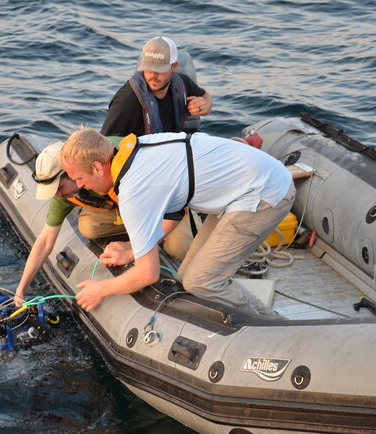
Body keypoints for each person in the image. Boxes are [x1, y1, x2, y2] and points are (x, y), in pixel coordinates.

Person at [59, 128, 296, 317]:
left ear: (97, 168)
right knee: (186, 279)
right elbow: (174, 213)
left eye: (79, 178)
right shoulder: (137, 151)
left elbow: (147, 275)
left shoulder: (133, 190)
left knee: (202, 282)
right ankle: (260, 317)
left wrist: (100, 289)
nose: (79, 186)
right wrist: (133, 250)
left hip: (264, 193)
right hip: (242, 188)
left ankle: (272, 329)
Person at [13, 141, 192, 305]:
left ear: (73, 173)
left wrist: (132, 249)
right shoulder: (64, 195)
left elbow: (172, 208)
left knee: (179, 246)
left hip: (163, 206)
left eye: (60, 188)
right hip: (124, 209)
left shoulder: (117, 167)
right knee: (89, 226)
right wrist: (21, 290)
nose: (58, 195)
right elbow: (45, 241)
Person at [100, 36, 213, 138]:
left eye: (159, 70)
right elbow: (105, 143)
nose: (153, 76)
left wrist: (205, 104)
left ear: (174, 67)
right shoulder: (127, 101)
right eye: (149, 69)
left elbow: (205, 96)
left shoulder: (182, 83)